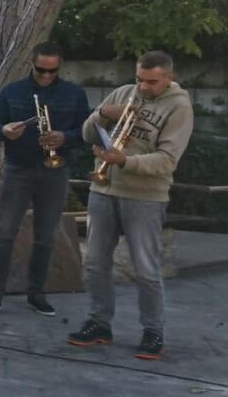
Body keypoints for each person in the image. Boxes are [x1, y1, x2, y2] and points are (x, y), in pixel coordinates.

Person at [68, 51, 193, 360]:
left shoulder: (179, 106)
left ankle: (153, 331)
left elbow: (167, 160)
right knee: (95, 262)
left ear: (169, 78)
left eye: (152, 82)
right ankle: (99, 323)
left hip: (145, 196)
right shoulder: (123, 92)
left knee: (146, 269)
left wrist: (124, 160)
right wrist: (103, 113)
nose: (144, 87)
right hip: (103, 188)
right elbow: (86, 133)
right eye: (140, 79)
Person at [0, 42, 90, 317]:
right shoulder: (12, 91)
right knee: (4, 233)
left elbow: (87, 131)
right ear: (31, 64)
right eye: (41, 70)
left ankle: (37, 294)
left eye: (52, 71)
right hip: (18, 168)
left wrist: (64, 137)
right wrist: (4, 130)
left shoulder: (73, 94)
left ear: (60, 66)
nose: (46, 76)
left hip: (56, 169)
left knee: (46, 236)